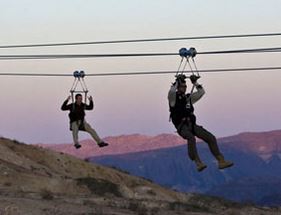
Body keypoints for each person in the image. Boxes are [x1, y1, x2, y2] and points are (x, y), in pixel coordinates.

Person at [168, 74, 233, 172]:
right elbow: (171, 92)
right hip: (182, 127)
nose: (184, 88)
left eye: (185, 86)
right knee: (191, 138)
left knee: (210, 137)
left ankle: (221, 161)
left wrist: (195, 83)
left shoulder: (188, 98)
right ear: (178, 87)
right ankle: (198, 162)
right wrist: (176, 82)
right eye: (182, 86)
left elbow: (201, 92)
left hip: (192, 125)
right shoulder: (173, 99)